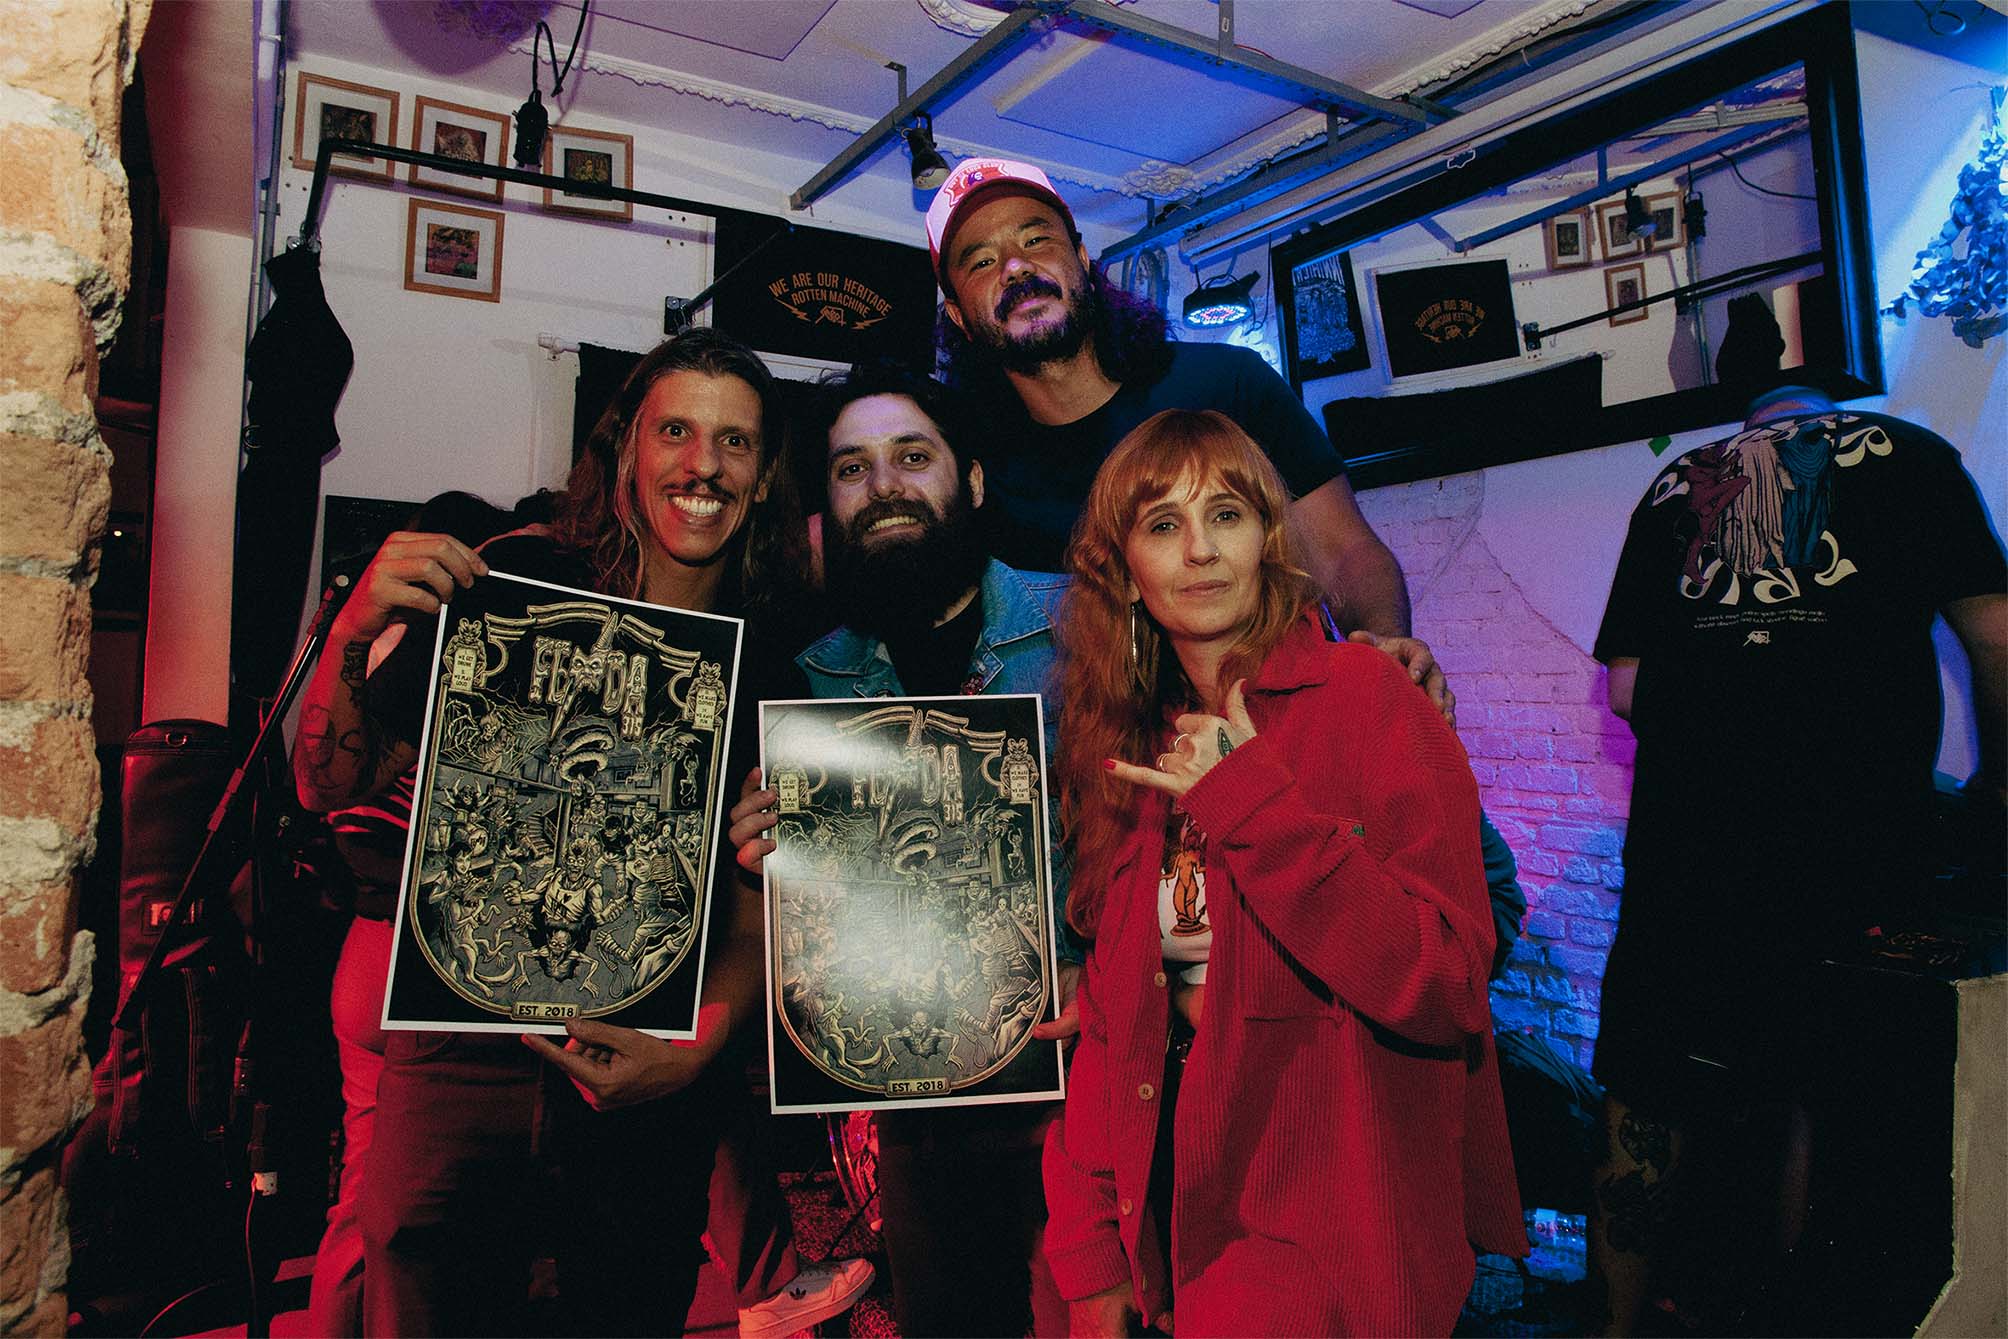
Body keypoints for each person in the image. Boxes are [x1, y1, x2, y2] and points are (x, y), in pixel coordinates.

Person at [292, 328, 868, 1336]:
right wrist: (348, 630)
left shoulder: (776, 661)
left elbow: (750, 918)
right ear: (627, 448)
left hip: (643, 1071)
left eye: (734, 441)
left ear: (764, 473)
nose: (703, 465)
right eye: (677, 431)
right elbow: (325, 780)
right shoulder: (512, 582)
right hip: (460, 1054)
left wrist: (694, 1054)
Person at [1041, 409, 1523, 1336]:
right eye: (1163, 524)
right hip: (1174, 1214)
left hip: (1328, 1232)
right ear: (1127, 573)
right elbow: (1117, 1025)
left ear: (1267, 537)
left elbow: (1451, 984)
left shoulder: (1369, 697)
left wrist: (1254, 805)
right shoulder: (1132, 744)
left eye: (1226, 514)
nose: (1200, 550)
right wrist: (1094, 1252)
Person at [1587, 385, 2006, 1334]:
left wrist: (1724, 737)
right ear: (1825, 417)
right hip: (1856, 831)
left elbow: (1627, 689)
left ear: (1754, 429)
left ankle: (1609, 1327)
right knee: (1826, 1088)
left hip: (1689, 844)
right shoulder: (1909, 451)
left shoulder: (1679, 479)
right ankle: (1790, 1316)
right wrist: (1999, 785)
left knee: (1649, 1083)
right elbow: (1997, 633)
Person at [730, 361, 1072, 1336]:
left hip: (1089, 1084)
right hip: (920, 1101)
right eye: (852, 468)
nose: (882, 485)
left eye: (912, 457)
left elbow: (1185, 825)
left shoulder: (1085, 626)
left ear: (973, 480)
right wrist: (770, 861)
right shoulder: (816, 678)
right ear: (826, 507)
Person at [926, 158, 1424, 670]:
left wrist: (1386, 650)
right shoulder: (976, 467)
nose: (1015, 267)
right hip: (1102, 719)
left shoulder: (1230, 384)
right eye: (981, 262)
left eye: (1036, 240)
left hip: (1268, 704)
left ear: (1083, 261)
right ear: (959, 315)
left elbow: (1342, 553)